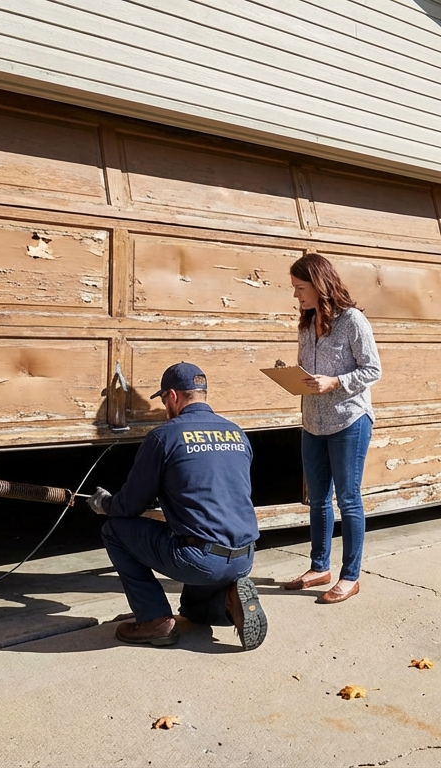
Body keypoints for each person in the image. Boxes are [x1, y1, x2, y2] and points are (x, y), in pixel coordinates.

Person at [87, 362, 267, 650]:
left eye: (163, 400)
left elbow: (130, 505)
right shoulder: (236, 433)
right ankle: (228, 599)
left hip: (200, 559)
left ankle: (155, 621)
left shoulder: (165, 436)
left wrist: (104, 503)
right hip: (244, 557)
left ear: (172, 396)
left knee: (115, 529)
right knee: (192, 612)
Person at [282, 253, 381, 604]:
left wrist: (335, 382)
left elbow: (373, 370)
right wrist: (293, 378)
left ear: (319, 284)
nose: (296, 295)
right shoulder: (306, 324)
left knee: (349, 500)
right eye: (294, 289)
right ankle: (318, 567)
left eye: (300, 288)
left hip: (349, 420)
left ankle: (350, 576)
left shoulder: (352, 320)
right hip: (312, 422)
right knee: (318, 500)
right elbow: (308, 371)